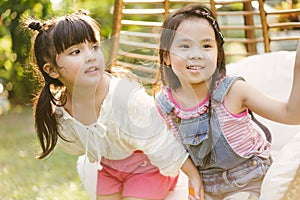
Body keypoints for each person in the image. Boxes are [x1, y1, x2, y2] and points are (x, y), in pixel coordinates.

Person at [24, 10, 203, 200]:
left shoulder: (123, 98)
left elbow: (161, 140)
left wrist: (192, 175)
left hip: (147, 166)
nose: (90, 56)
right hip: (109, 168)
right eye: (76, 51)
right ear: (51, 70)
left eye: (94, 47)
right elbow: (78, 144)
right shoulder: (62, 110)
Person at [154, 4, 300, 200]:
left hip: (249, 178)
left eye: (206, 45)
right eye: (185, 46)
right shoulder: (166, 103)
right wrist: (193, 176)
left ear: (217, 53)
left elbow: (290, 114)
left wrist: (298, 66)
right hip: (208, 185)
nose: (196, 54)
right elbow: (175, 148)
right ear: (166, 57)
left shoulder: (233, 91)